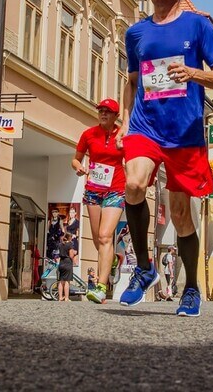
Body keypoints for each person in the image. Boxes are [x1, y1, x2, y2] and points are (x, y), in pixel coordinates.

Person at [116, 0, 213, 318]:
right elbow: (133, 80)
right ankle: (145, 268)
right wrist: (124, 120)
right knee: (132, 185)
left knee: (181, 216)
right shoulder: (136, 33)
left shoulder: (198, 26)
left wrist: (192, 72)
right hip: (144, 126)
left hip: (185, 132)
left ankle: (191, 289)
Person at [74, 97, 127, 304]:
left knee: (106, 236)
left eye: (108, 111)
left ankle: (102, 286)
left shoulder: (123, 135)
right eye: (101, 110)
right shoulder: (88, 134)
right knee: (98, 240)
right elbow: (75, 158)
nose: (103, 113)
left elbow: (131, 159)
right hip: (94, 190)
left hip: (115, 189)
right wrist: (77, 166)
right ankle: (111, 260)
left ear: (116, 116)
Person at [57, 233, 76, 302]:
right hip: (67, 262)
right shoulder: (69, 244)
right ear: (69, 237)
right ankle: (66, 298)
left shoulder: (60, 244)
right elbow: (71, 255)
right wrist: (74, 254)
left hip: (61, 262)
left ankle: (60, 297)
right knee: (67, 281)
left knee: (61, 281)